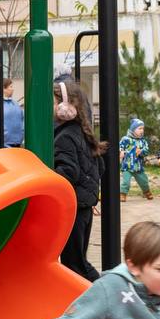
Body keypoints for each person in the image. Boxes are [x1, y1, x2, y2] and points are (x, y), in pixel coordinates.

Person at [53, 79, 106, 281]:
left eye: (54, 102)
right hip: (83, 205)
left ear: (65, 106)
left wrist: (48, 179)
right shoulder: (80, 132)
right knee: (76, 261)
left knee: (75, 264)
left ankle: (107, 296)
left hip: (75, 207)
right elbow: (99, 167)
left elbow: (69, 171)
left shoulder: (64, 137)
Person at [0, 78, 25, 148]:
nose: (13, 89)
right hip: (1, 145)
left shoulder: (15, 103)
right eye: (11, 87)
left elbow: (22, 118)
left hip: (17, 144)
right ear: (3, 88)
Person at [119, 118, 152, 201]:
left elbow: (146, 151)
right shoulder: (125, 139)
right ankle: (122, 194)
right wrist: (121, 151)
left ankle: (147, 192)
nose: (142, 131)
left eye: (143, 129)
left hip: (138, 166)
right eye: (139, 128)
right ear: (133, 130)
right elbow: (120, 147)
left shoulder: (143, 141)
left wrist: (141, 151)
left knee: (144, 181)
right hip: (127, 165)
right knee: (125, 182)